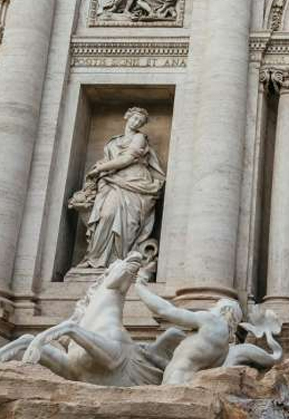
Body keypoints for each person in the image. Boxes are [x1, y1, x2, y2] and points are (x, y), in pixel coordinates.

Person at [77, 107, 165, 269]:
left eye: (140, 121)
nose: (136, 122)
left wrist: (99, 170)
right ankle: (95, 258)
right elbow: (109, 159)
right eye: (134, 118)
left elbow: (126, 159)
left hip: (135, 182)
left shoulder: (139, 138)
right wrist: (100, 167)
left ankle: (120, 261)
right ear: (127, 117)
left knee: (127, 222)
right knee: (106, 214)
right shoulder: (113, 141)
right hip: (113, 181)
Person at [134, 280, 242, 385]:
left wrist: (139, 288)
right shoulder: (224, 350)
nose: (211, 309)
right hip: (181, 384)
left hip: (175, 384)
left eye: (215, 306)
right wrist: (150, 356)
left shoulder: (212, 320)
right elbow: (183, 366)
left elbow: (165, 310)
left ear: (224, 310)